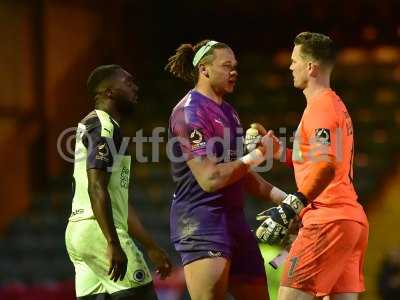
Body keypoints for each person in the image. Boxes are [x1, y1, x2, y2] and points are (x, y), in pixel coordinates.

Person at [165, 39, 287, 300]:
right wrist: (257, 155)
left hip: (234, 221)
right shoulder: (189, 113)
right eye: (226, 66)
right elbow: (210, 178)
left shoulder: (229, 113)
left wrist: (286, 200)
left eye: (235, 66)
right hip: (201, 222)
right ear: (204, 70)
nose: (234, 71)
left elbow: (238, 172)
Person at [255, 32, 369, 300]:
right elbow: (322, 159)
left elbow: (326, 165)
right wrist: (280, 152)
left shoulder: (321, 108)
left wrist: (291, 205)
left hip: (327, 220)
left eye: (295, 60)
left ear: (311, 66)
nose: (290, 65)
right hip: (350, 222)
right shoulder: (333, 105)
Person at [65, 64, 172, 300]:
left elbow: (118, 202)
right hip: (98, 231)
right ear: (109, 92)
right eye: (128, 82)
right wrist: (112, 242)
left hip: (80, 232)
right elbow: (96, 187)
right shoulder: (102, 125)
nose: (135, 88)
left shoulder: (104, 126)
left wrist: (151, 245)